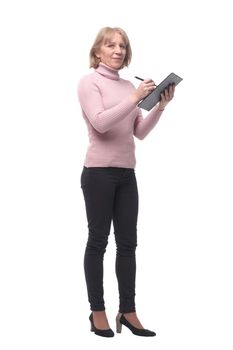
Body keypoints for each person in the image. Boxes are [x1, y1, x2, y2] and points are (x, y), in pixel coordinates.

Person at [77, 26, 175, 337]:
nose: (118, 50)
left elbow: (139, 132)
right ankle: (97, 312)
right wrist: (134, 97)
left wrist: (159, 106)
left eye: (122, 46)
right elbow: (101, 124)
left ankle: (129, 312)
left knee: (128, 245)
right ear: (98, 52)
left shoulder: (127, 86)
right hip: (98, 174)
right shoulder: (88, 83)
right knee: (98, 242)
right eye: (110, 45)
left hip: (126, 174)